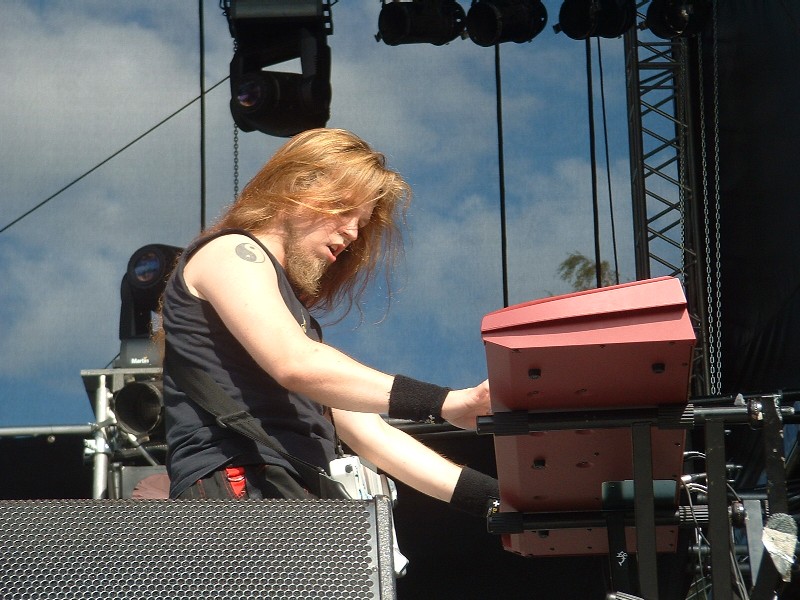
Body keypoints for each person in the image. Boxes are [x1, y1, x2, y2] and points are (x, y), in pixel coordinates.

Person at [160, 127, 498, 518]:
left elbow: (373, 434)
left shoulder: (297, 325)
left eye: (361, 222)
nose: (352, 233)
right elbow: (296, 363)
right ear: (296, 188)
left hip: (292, 491)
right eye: (343, 209)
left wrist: (498, 500)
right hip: (242, 483)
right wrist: (445, 402)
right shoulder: (231, 252)